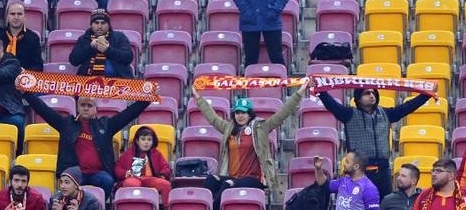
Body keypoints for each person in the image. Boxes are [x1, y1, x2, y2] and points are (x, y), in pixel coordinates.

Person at [193, 80, 310, 210]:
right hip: (233, 177)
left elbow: (282, 114)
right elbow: (212, 118)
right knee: (211, 180)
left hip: (254, 179)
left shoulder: (261, 127)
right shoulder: (228, 128)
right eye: (237, 112)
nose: (240, 116)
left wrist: (299, 93)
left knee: (227, 185)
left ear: (250, 114)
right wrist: (198, 98)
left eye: (244, 112)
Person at [317, 87, 431, 199]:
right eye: (367, 93)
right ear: (359, 99)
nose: (372, 95)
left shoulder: (385, 113)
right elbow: (331, 105)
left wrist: (426, 94)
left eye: (373, 93)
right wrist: (320, 90)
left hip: (383, 173)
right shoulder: (349, 114)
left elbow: (407, 107)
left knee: (385, 205)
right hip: (360, 173)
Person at [68, 8, 134, 77]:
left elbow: (128, 57)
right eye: (96, 23)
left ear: (109, 25)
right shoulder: (84, 38)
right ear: (91, 25)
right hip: (88, 83)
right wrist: (90, 47)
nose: (99, 26)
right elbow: (74, 60)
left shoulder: (119, 37)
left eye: (103, 23)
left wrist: (108, 50)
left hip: (117, 82)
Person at [116, 126, 172, 204]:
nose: (146, 142)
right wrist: (124, 173)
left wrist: (163, 174)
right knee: (130, 184)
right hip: (133, 178)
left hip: (152, 179)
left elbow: (166, 167)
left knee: (166, 185)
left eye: (149, 140)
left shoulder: (157, 154)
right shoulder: (128, 153)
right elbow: (117, 167)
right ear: (137, 141)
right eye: (143, 139)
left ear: (153, 142)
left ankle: (167, 208)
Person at [316, 151, 381, 210]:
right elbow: (323, 183)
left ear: (356, 166)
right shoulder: (343, 181)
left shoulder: (369, 188)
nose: (344, 164)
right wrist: (318, 168)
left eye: (347, 162)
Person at [0, 1, 44, 71]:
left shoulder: (33, 38)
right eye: (12, 14)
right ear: (7, 17)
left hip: (22, 78)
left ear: (24, 16)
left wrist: (25, 73)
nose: (16, 17)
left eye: (19, 14)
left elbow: (38, 66)